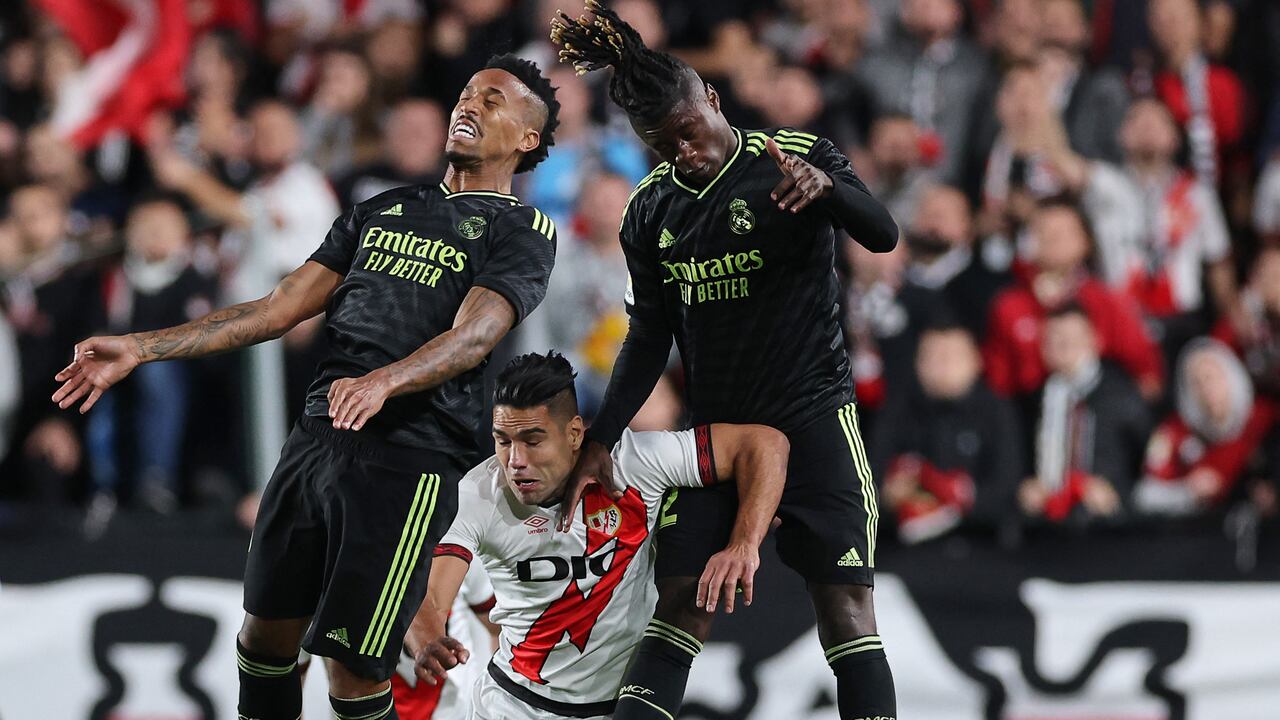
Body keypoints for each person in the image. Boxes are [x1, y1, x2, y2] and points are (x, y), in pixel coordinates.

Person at [50, 55, 560, 720]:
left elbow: (474, 336)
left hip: (410, 461)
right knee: (263, 641)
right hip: (316, 442)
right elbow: (275, 308)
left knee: (351, 669)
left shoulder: (522, 228)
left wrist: (385, 381)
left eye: (493, 101)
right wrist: (141, 348)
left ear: (527, 138)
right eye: (466, 94)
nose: (470, 106)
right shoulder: (382, 209)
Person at [551, 4, 899, 719]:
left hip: (814, 415)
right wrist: (603, 437)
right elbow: (649, 335)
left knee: (845, 607)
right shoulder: (649, 211)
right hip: (717, 434)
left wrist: (830, 191)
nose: (682, 150)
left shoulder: (794, 155)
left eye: (687, 131)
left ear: (711, 98)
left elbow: (884, 234)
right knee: (679, 603)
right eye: (660, 144)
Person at [405, 352, 788, 719]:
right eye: (503, 440)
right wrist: (426, 639)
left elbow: (765, 445)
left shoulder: (635, 463)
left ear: (574, 433)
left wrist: (744, 543)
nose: (515, 461)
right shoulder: (478, 494)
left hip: (618, 707)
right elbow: (430, 595)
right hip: (511, 704)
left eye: (533, 441)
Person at [872, 321, 1022, 543]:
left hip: (983, 544)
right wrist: (887, 496)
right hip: (904, 545)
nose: (942, 366)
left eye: (951, 357)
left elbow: (1008, 488)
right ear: (917, 363)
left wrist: (956, 498)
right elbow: (868, 483)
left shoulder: (997, 411)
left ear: (976, 361)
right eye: (931, 356)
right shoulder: (896, 411)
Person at [1020, 306, 1150, 528]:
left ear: (1094, 340)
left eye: (1071, 339)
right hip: (1048, 527)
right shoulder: (1033, 399)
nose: (1062, 346)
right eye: (1053, 339)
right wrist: (1028, 489)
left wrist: (1119, 494)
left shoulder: (1122, 394)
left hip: (1112, 528)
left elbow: (1149, 461)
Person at [1134, 338, 1276, 517]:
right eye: (1196, 382)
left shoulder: (1263, 418)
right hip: (1204, 533)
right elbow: (1144, 496)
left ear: (1232, 376)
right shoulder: (1173, 432)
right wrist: (1186, 492)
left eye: (1212, 377)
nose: (1206, 389)